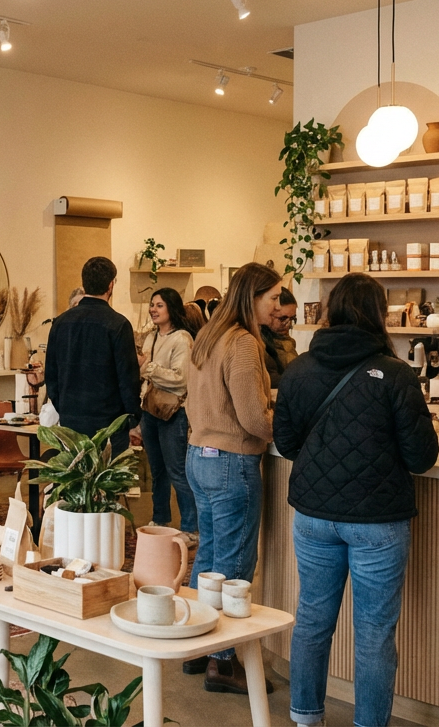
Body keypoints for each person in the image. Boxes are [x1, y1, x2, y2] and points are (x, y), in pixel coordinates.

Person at [272, 273, 439, 727]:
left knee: (311, 620)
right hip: (377, 522)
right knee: (373, 635)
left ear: (331, 312)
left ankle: (305, 717)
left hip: (312, 514)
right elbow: (422, 457)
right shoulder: (396, 374)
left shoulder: (299, 368)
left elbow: (286, 444)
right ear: (377, 313)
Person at [182, 262, 282, 694]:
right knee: (235, 562)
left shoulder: (207, 336)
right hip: (231, 460)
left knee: (209, 557)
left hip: (198, 455)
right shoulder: (242, 342)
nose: (279, 306)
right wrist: (284, 425)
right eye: (274, 297)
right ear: (252, 296)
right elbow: (253, 418)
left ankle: (195, 645)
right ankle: (222, 661)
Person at [44, 257, 140, 456]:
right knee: (107, 483)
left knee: (76, 481)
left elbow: (51, 374)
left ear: (84, 283)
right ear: (111, 285)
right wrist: (132, 416)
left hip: (71, 419)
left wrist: (63, 406)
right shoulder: (118, 324)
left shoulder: (61, 323)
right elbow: (128, 378)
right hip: (109, 423)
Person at [135, 288, 199, 543]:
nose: (153, 309)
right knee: (157, 470)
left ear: (171, 308)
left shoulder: (182, 339)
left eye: (159, 305)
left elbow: (181, 380)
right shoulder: (150, 337)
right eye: (152, 305)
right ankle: (160, 517)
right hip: (150, 410)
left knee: (177, 470)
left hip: (173, 413)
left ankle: (191, 527)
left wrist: (147, 367)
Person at [261, 287, 300, 383]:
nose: (288, 324)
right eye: (282, 318)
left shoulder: (286, 340)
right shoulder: (258, 344)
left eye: (292, 318)